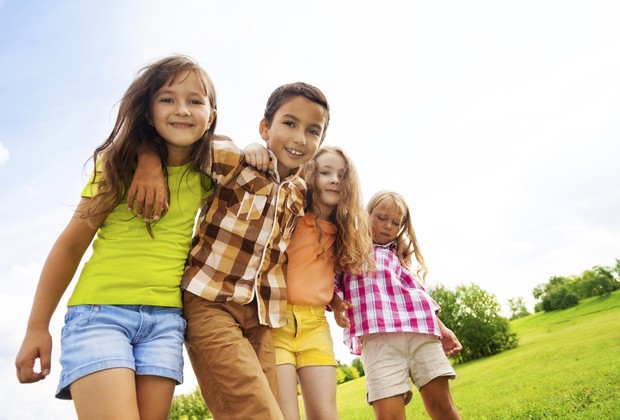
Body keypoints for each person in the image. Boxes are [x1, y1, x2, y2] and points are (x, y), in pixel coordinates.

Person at [14, 55, 217, 419]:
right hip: (99, 316)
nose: (182, 109)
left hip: (166, 323)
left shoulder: (210, 174)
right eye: (167, 99)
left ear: (211, 116)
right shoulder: (117, 167)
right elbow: (71, 244)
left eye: (195, 101)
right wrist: (36, 327)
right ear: (148, 111)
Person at [131, 82, 331, 419]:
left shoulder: (300, 191)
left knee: (273, 409)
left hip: (261, 315)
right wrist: (148, 162)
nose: (300, 138)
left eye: (313, 131)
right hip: (210, 302)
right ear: (265, 127)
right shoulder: (233, 159)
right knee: (256, 410)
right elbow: (173, 136)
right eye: (289, 123)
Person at [246, 145, 374, 419]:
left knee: (326, 414)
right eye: (325, 172)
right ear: (310, 175)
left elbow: (320, 276)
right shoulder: (290, 218)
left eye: (342, 175)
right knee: (285, 414)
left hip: (315, 326)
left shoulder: (342, 232)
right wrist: (255, 149)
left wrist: (336, 302)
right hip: (275, 322)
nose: (334, 179)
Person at [332, 191, 462, 420]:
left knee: (443, 406)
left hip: (419, 333)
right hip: (377, 341)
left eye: (396, 222)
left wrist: (442, 329)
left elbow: (417, 294)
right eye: (382, 218)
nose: (388, 226)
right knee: (388, 416)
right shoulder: (347, 249)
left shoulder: (395, 255)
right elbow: (331, 282)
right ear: (366, 214)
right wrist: (336, 304)